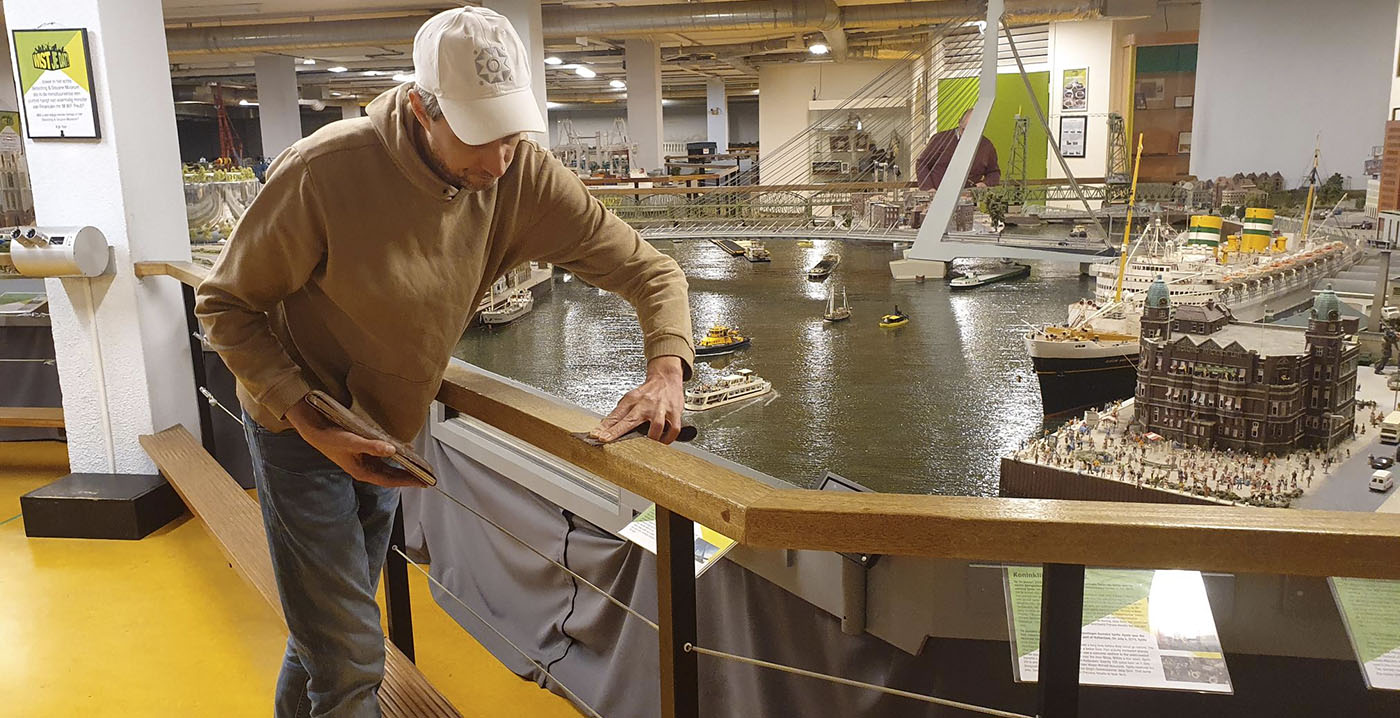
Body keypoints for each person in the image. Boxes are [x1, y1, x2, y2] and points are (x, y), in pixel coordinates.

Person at [195, 7, 693, 716]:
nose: (496, 163)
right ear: (422, 106)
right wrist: (309, 421)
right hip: (297, 429)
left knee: (327, 639)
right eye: (479, 136)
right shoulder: (324, 169)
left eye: (513, 136)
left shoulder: (522, 178)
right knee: (351, 656)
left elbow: (651, 270)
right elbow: (224, 306)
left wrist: (665, 368)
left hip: (389, 436)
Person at [914, 108, 1001, 191]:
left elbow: (994, 172)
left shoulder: (987, 146)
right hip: (936, 196)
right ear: (959, 122)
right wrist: (929, 189)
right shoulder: (940, 139)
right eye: (964, 130)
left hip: (968, 199)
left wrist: (985, 184)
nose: (967, 135)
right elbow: (922, 163)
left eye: (973, 131)